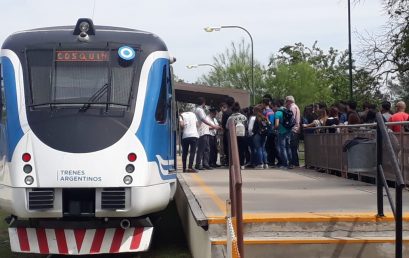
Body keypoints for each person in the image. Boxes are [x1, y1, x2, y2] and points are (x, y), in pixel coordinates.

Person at [195, 97, 220, 170]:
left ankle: (205, 163)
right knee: (202, 149)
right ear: (203, 103)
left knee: (206, 149)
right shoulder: (199, 110)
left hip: (205, 131)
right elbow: (203, 119)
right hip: (202, 131)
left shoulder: (199, 110)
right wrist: (212, 125)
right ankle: (198, 164)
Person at [226, 102, 248, 169]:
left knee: (234, 150)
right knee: (242, 150)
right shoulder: (244, 117)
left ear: (232, 110)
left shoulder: (230, 118)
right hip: (242, 135)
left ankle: (235, 164)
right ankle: (242, 164)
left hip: (234, 136)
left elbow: (227, 126)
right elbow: (246, 125)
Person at [274, 99, 292, 169]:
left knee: (282, 148)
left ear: (276, 105)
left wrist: (274, 128)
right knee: (288, 147)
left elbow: (277, 124)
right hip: (288, 131)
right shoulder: (287, 110)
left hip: (281, 131)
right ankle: (290, 163)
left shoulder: (278, 113)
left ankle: (285, 164)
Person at [252, 104, 269, 169]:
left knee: (258, 148)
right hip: (264, 134)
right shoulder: (264, 118)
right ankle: (265, 163)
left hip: (257, 134)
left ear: (256, 110)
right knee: (263, 148)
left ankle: (260, 163)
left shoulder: (255, 117)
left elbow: (252, 127)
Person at [285, 95, 301, 167]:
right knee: (294, 147)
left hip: (293, 129)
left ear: (289, 101)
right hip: (296, 129)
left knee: (292, 147)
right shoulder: (296, 107)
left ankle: (293, 163)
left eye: (286, 101)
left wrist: (287, 125)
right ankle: (295, 162)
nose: (286, 103)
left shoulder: (292, 107)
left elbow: (291, 118)